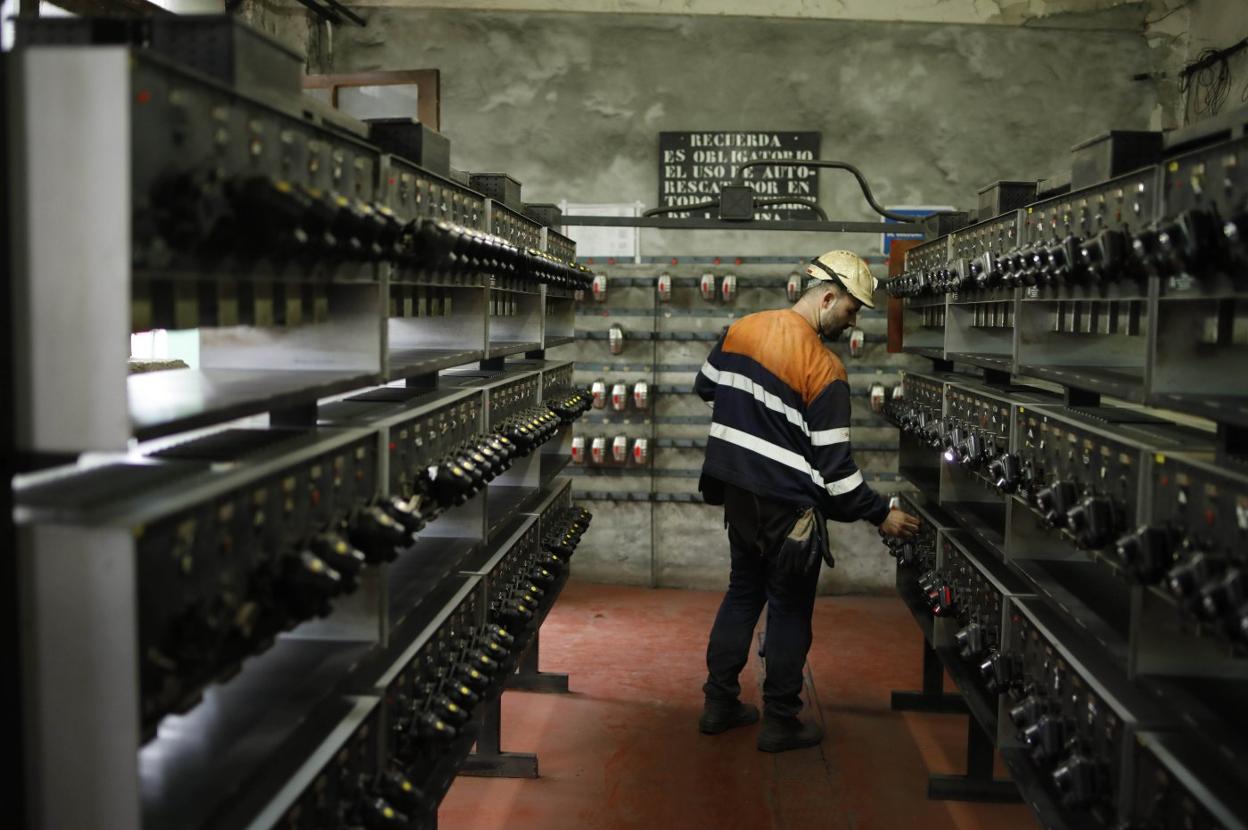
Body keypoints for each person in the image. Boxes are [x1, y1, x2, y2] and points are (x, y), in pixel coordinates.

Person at [693, 249, 921, 753]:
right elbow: (837, 474)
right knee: (790, 609)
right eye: (851, 309)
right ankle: (780, 721)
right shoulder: (825, 368)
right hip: (787, 510)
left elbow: (705, 386)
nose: (853, 321)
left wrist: (755, 410)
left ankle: (718, 704)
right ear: (827, 297)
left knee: (742, 594)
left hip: (738, 496)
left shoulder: (742, 329)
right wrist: (882, 514)